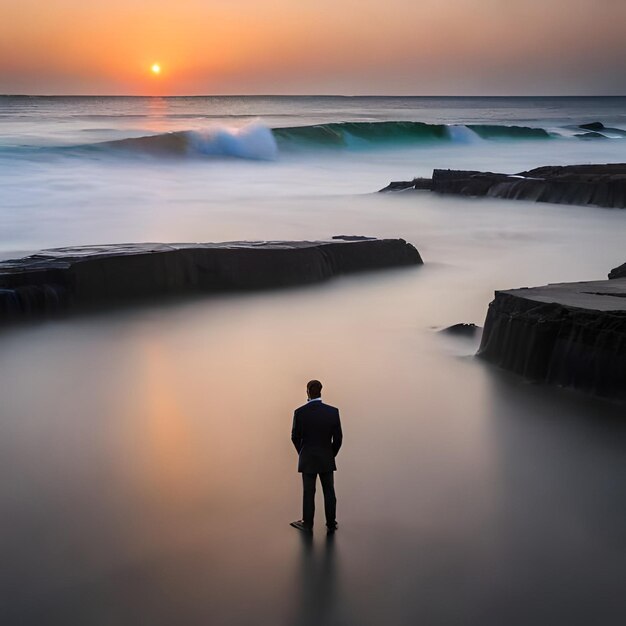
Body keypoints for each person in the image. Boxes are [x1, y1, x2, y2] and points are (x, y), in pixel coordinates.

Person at [290, 379, 343, 533]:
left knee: (308, 493)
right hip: (326, 457)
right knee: (329, 492)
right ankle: (331, 523)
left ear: (308, 391)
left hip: (307, 458)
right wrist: (330, 454)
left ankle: (307, 523)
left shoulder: (299, 412)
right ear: (321, 391)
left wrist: (302, 452)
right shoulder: (333, 412)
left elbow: (294, 437)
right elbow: (338, 439)